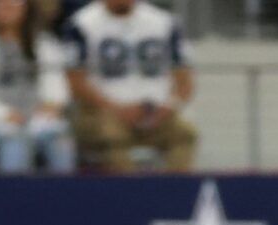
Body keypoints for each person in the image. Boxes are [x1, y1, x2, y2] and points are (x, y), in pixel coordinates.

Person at [63, 0, 196, 171]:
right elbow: (75, 82)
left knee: (185, 134)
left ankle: (174, 193)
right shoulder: (81, 24)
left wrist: (169, 106)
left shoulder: (164, 22)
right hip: (102, 112)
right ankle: (130, 195)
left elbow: (184, 79)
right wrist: (117, 109)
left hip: (155, 112)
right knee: (112, 136)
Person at [0, 0, 76, 173]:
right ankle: (13, 198)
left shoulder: (40, 40)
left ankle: (66, 197)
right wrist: (3, 113)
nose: (7, 6)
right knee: (16, 140)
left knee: (59, 139)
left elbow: (56, 83)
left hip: (34, 119)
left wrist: (52, 105)